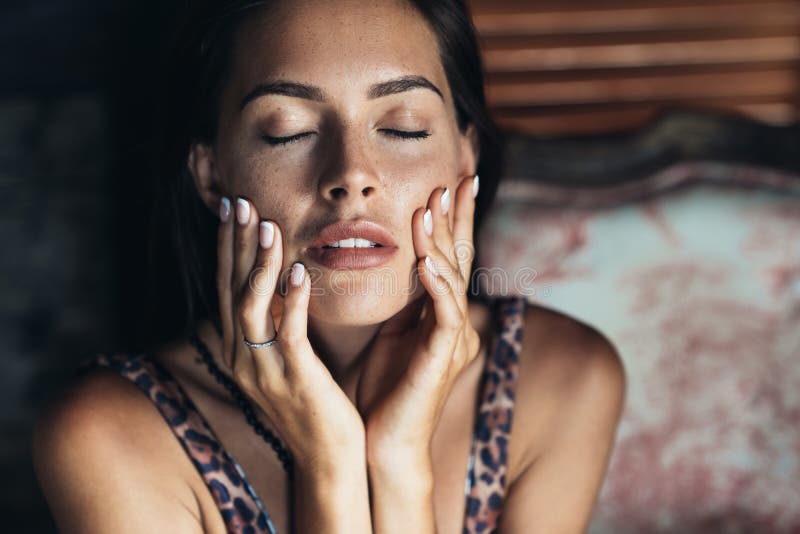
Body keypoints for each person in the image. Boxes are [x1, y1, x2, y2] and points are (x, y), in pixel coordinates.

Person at [31, 1, 626, 532]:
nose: (351, 176)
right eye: (287, 132)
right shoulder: (110, 435)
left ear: (465, 153)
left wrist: (396, 465)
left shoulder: (559, 381)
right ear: (211, 176)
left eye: (403, 127)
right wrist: (329, 462)